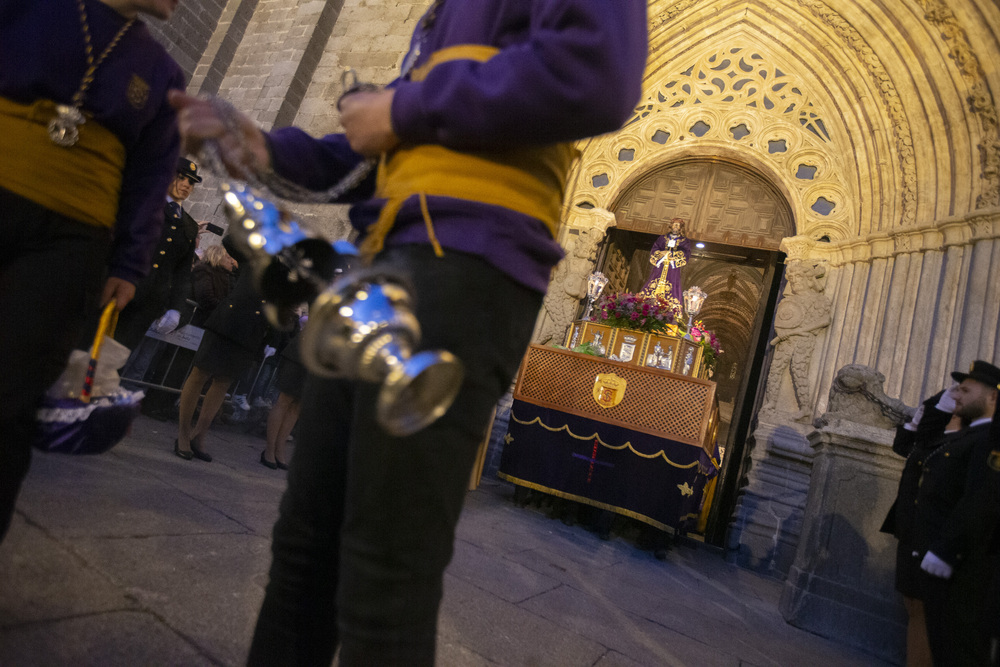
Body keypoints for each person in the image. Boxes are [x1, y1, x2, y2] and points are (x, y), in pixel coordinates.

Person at [172, 1, 648, 662]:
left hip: (462, 267)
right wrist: (266, 147)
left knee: (384, 573)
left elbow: (599, 73)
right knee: (304, 547)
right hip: (376, 267)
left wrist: (400, 111)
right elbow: (373, 152)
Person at [0, 0, 184, 542]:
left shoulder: (160, 70)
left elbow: (151, 178)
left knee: (12, 398)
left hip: (72, 244)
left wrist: (130, 260)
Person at [916, 360, 1000, 666]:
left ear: (993, 397)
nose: (958, 395)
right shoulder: (972, 435)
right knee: (945, 646)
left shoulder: (988, 440)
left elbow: (980, 499)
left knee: (960, 651)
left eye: (966, 389)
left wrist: (946, 551)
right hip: (945, 561)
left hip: (965, 566)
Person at [881, 385, 963, 666]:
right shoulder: (932, 443)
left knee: (923, 613)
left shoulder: (956, 444)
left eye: (933, 413)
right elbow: (902, 445)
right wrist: (916, 420)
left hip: (930, 534)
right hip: (911, 529)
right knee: (913, 608)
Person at [174, 236, 275, 462]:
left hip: (252, 331)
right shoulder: (255, 255)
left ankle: (198, 435)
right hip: (227, 321)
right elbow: (230, 240)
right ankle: (182, 434)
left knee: (223, 383)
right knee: (200, 373)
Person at [114, 157, 202, 351]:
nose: (186, 185)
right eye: (181, 178)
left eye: (191, 182)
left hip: (148, 301)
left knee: (116, 357)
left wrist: (176, 308)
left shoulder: (189, 225)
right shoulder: (146, 203)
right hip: (119, 285)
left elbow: (182, 272)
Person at [639, 217, 690, 312]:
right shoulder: (662, 238)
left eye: (678, 225)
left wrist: (672, 255)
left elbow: (686, 253)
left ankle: (669, 308)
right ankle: (647, 303)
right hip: (660, 265)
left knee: (671, 285)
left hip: (672, 267)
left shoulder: (684, 241)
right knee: (653, 281)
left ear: (681, 228)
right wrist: (661, 253)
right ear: (671, 226)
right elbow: (655, 249)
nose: (675, 226)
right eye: (674, 224)